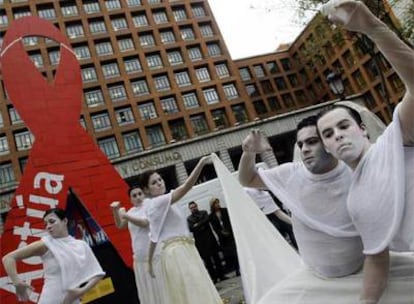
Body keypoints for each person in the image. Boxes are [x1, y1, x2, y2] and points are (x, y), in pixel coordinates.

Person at [316, 1, 414, 302]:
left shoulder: (394, 141)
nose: (338, 135)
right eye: (328, 134)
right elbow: (376, 256)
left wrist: (373, 27)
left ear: (362, 128)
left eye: (344, 126)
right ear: (328, 148)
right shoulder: (355, 199)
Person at [238, 116, 365, 279]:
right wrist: (249, 152)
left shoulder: (354, 169)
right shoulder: (290, 174)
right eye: (301, 144)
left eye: (312, 142)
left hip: (365, 271)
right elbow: (246, 179)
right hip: (316, 279)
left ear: (328, 142)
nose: (304, 149)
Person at [140, 156, 222, 304]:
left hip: (181, 250)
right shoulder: (159, 202)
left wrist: (149, 262)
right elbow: (186, 186)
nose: (159, 183)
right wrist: (201, 163)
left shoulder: (158, 204)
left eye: (160, 179)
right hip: (177, 253)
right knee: (193, 290)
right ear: (147, 190)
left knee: (195, 290)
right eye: (154, 183)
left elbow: (153, 237)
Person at [2, 208, 105, 304]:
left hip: (71, 301)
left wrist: (80, 291)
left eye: (52, 221)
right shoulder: (46, 244)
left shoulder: (81, 245)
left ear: (64, 221)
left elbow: (98, 274)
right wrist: (17, 282)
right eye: (45, 224)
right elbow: (8, 258)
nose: (48, 226)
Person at [110, 185, 160, 304]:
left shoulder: (149, 205)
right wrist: (115, 211)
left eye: (139, 194)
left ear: (144, 194)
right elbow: (120, 225)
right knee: (148, 291)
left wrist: (126, 215)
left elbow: (145, 223)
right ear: (130, 199)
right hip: (139, 258)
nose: (138, 197)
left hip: (154, 255)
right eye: (134, 196)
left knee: (159, 286)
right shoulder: (131, 211)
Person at [187, 201, 226, 283]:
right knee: (208, 262)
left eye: (194, 206)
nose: (193, 208)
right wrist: (200, 225)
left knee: (216, 258)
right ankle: (214, 278)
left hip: (210, 239)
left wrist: (197, 225)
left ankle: (221, 275)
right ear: (189, 209)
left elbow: (206, 220)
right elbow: (191, 229)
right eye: (191, 208)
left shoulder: (204, 212)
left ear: (197, 206)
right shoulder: (189, 219)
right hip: (201, 243)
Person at [209, 198, 240, 276]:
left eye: (218, 203)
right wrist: (221, 233)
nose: (217, 204)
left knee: (235, 252)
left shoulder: (225, 210)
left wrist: (228, 230)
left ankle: (238, 269)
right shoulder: (211, 216)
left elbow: (230, 221)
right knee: (229, 254)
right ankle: (234, 268)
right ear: (212, 205)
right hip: (222, 238)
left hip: (230, 234)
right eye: (215, 203)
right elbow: (214, 227)